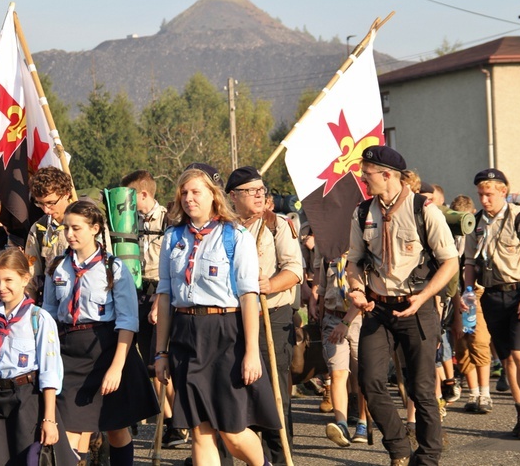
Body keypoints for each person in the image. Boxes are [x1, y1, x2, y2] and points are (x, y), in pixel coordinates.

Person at [154, 167, 280, 466]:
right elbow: (164, 295)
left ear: (214, 194)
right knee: (200, 430)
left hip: (225, 335)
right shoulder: (172, 238)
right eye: (183, 193)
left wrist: (251, 352)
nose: (188, 198)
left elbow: (249, 296)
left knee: (232, 431)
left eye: (196, 191)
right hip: (185, 333)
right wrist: (161, 352)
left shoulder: (235, 236)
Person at [346, 146, 458, 466]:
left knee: (420, 389)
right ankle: (398, 448)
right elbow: (353, 262)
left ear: (387, 175)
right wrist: (355, 288)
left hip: (417, 306)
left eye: (367, 173)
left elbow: (450, 261)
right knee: (370, 381)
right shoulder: (362, 212)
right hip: (377, 308)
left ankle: (428, 457)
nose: (363, 178)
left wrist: (424, 297)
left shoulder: (424, 208)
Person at [43, 200, 158, 465]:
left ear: (95, 228)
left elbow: (128, 321)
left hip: (106, 347)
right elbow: (48, 314)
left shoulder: (113, 268)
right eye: (66, 228)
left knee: (115, 427)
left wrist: (117, 367)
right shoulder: (56, 268)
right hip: (69, 351)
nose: (69, 234)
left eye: (77, 228)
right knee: (69, 428)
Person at [464, 168, 520, 439]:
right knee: (508, 358)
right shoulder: (476, 222)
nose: (484, 200)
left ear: (503, 191)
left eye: (488, 194)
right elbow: (468, 262)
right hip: (492, 295)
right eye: (480, 195)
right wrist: (466, 291)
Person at [226, 166, 302, 465]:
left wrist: (270, 284)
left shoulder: (276, 225)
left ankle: (279, 459)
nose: (260, 196)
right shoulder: (222, 227)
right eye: (251, 191)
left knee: (273, 396)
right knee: (231, 394)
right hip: (230, 319)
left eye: (262, 190)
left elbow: (295, 269)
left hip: (270, 316)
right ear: (234, 196)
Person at [0, 248, 74, 466]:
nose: (1, 287)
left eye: (8, 279)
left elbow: (49, 372)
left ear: (24, 278)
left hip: (26, 397)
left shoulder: (38, 319)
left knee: (27, 459)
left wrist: (49, 419)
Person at [120, 170, 186, 446]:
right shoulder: (129, 222)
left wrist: (160, 301)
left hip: (162, 293)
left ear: (143, 194)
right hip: (138, 292)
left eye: (131, 196)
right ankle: (169, 419)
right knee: (150, 364)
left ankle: (178, 423)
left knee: (162, 359)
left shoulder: (169, 220)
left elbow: (172, 266)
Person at [447, 196, 493, 414]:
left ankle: (485, 394)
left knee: (479, 341)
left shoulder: (477, 232)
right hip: (453, 293)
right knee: (461, 344)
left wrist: (471, 293)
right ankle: (473, 393)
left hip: (474, 292)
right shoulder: (449, 236)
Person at [318, 253, 368, 446]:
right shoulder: (327, 256)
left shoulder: (362, 255)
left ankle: (362, 422)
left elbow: (364, 296)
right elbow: (322, 291)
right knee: (338, 373)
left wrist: (346, 322)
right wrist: (320, 319)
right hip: (332, 319)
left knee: (362, 374)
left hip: (359, 320)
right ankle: (342, 425)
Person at [25, 167, 74, 303]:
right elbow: (31, 278)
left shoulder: (90, 222)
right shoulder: (39, 229)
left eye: (51, 203)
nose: (46, 210)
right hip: (52, 305)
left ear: (66, 194)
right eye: (40, 203)